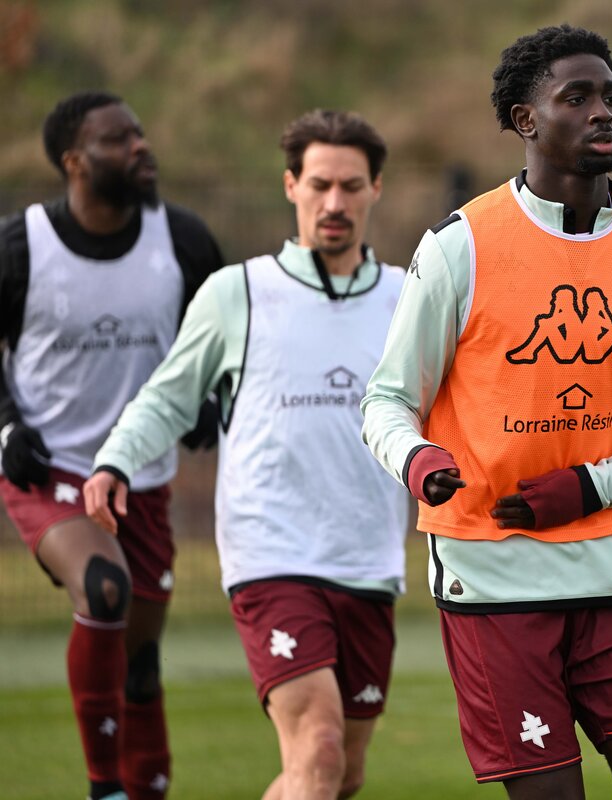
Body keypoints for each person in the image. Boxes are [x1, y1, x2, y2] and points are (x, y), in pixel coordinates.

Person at [361, 24, 612, 800]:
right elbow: (388, 400)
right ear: (527, 120)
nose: (603, 112)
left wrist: (594, 487)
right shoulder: (460, 245)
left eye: (610, 96)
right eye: (576, 97)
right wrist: (419, 461)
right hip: (493, 571)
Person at [83, 110, 407, 800]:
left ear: (376, 189)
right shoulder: (239, 293)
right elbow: (168, 397)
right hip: (270, 555)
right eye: (319, 184)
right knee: (319, 749)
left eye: (351, 186)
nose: (335, 202)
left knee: (339, 774)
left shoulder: (407, 299)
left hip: (369, 559)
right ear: (291, 186)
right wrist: (115, 461)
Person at [0, 91, 224, 800]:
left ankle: (144, 787)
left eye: (140, 134)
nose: (139, 146)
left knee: (141, 662)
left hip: (142, 477)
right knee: (105, 588)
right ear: (74, 161)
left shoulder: (183, 241)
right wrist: (7, 426)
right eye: (117, 139)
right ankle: (105, 789)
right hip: (51, 471)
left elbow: (220, 344)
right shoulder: (20, 248)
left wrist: (208, 399)